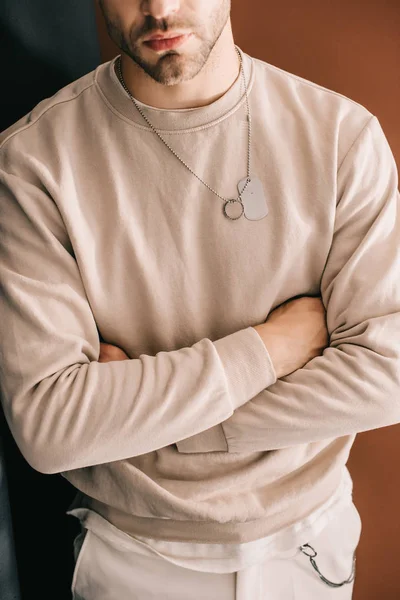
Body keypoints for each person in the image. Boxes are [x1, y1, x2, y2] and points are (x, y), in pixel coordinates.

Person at [1, 0, 399, 598]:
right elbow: (52, 426)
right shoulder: (33, 160)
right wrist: (273, 347)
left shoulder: (340, 135)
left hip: (306, 549)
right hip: (132, 558)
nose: (159, 7)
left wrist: (147, 420)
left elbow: (387, 373)